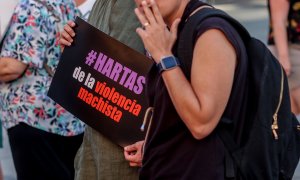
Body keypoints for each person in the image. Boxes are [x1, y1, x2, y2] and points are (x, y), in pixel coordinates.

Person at [123, 0, 250, 178]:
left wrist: (164, 56)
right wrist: (152, 145)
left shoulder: (211, 31)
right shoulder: (172, 31)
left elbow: (201, 123)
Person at [0, 0, 86, 179]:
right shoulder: (66, 5)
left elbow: (12, 67)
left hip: (33, 118)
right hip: (67, 118)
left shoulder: (31, 6)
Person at [59, 0, 144, 179]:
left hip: (118, 141)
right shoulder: (103, 3)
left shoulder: (127, 4)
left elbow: (120, 72)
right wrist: (73, 47)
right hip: (98, 134)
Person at [267, 0, 300, 118]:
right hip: (291, 53)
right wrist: (283, 58)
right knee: (288, 115)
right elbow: (278, 21)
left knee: (291, 116)